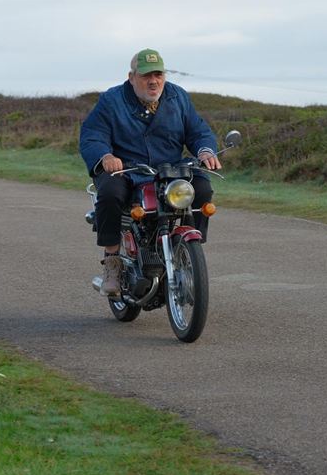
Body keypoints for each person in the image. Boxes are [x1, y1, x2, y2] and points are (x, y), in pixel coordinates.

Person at [79, 48, 222, 297]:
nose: (153, 81)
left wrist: (205, 151)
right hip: (127, 168)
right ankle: (112, 262)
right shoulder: (111, 100)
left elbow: (198, 131)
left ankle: (187, 252)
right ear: (132, 76)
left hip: (169, 169)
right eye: (146, 75)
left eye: (158, 74)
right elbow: (93, 135)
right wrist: (106, 156)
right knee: (110, 194)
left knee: (202, 188)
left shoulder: (178, 97)